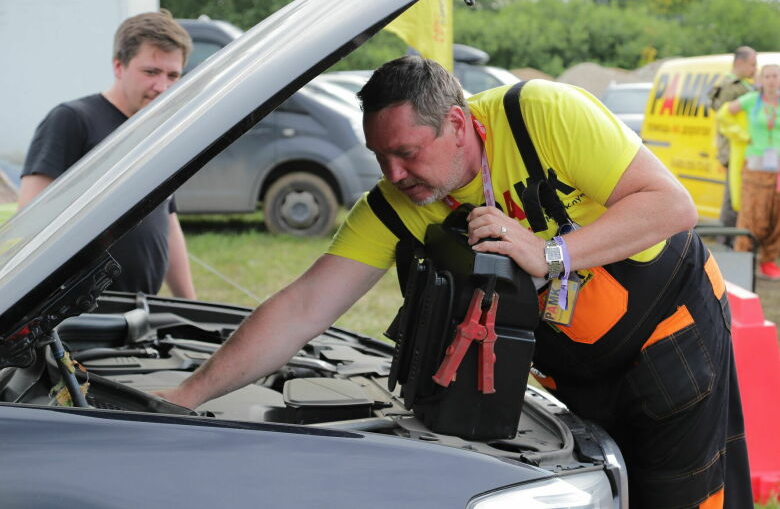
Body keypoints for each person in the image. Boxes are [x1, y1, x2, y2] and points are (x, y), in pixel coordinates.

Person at [158, 56, 752, 508]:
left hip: (670, 334)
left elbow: (671, 205)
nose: (394, 174)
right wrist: (188, 395)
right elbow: (303, 306)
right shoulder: (395, 202)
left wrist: (550, 252)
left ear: (459, 123)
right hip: (575, 370)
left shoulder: (541, 116)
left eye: (407, 152)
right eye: (379, 156)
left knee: (684, 497)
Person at [18, 10, 197, 299]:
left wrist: (190, 304)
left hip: (140, 309)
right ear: (118, 66)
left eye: (172, 75)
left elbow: (167, 220)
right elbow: (31, 218)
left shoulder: (158, 133)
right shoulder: (72, 119)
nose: (162, 87)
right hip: (80, 315)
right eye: (151, 72)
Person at [720, 63, 780, 281]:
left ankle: (768, 260)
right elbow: (723, 115)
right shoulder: (751, 100)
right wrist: (741, 134)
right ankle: (743, 259)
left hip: (778, 169)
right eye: (768, 76)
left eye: (776, 76)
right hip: (756, 166)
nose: (773, 80)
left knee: (776, 216)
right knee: (752, 214)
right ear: (761, 79)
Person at [708, 46, 757, 245]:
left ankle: (729, 240)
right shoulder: (731, 85)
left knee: (736, 196)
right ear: (740, 63)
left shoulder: (744, 85)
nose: (755, 69)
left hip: (743, 148)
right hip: (734, 148)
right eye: (752, 64)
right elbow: (724, 118)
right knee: (732, 199)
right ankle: (726, 242)